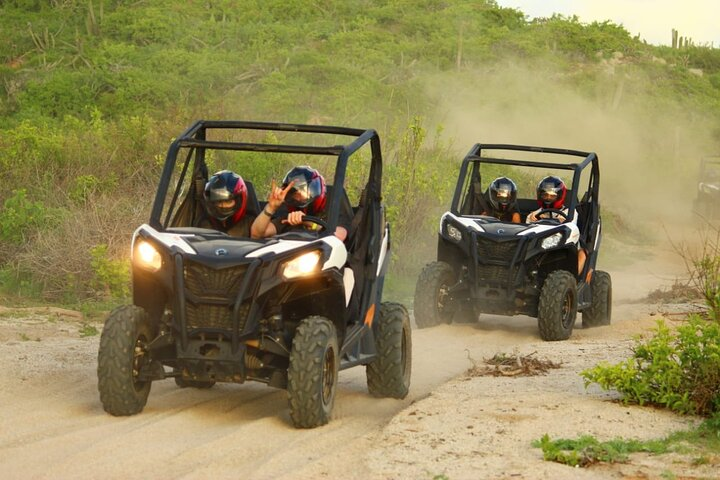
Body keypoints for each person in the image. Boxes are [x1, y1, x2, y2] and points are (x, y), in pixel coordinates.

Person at [251, 165, 350, 241]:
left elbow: (339, 236)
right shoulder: (290, 213)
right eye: (293, 194)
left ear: (314, 189)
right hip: (286, 261)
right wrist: (271, 207)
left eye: (302, 192)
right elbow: (256, 234)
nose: (297, 198)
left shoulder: (332, 208)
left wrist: (308, 222)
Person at [526, 175, 587, 274]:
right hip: (537, 248)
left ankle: (574, 280)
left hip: (563, 248)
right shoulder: (533, 215)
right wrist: (535, 219)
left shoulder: (570, 212)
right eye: (545, 195)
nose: (548, 198)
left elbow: (570, 228)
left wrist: (545, 219)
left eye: (552, 196)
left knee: (582, 254)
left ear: (560, 196)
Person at [199, 170, 255, 237]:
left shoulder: (250, 223)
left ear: (239, 201)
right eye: (219, 202)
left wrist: (270, 208)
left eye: (228, 202)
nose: (223, 206)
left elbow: (265, 231)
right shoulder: (205, 224)